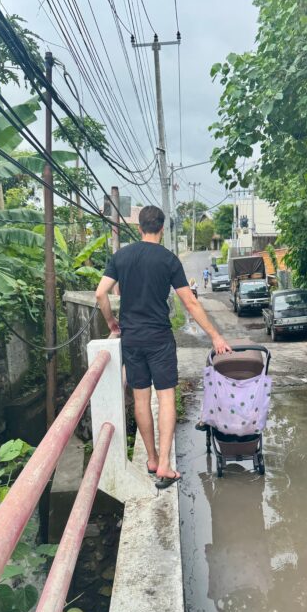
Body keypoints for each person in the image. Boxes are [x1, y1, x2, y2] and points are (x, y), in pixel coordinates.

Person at [96, 205, 231, 489]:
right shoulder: (168, 260)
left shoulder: (121, 256)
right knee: (166, 398)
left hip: (131, 338)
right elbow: (190, 303)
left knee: (141, 400)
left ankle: (153, 460)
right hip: (159, 338)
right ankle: (166, 465)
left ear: (141, 226)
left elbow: (100, 293)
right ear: (161, 228)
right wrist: (215, 337)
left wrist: (111, 323)